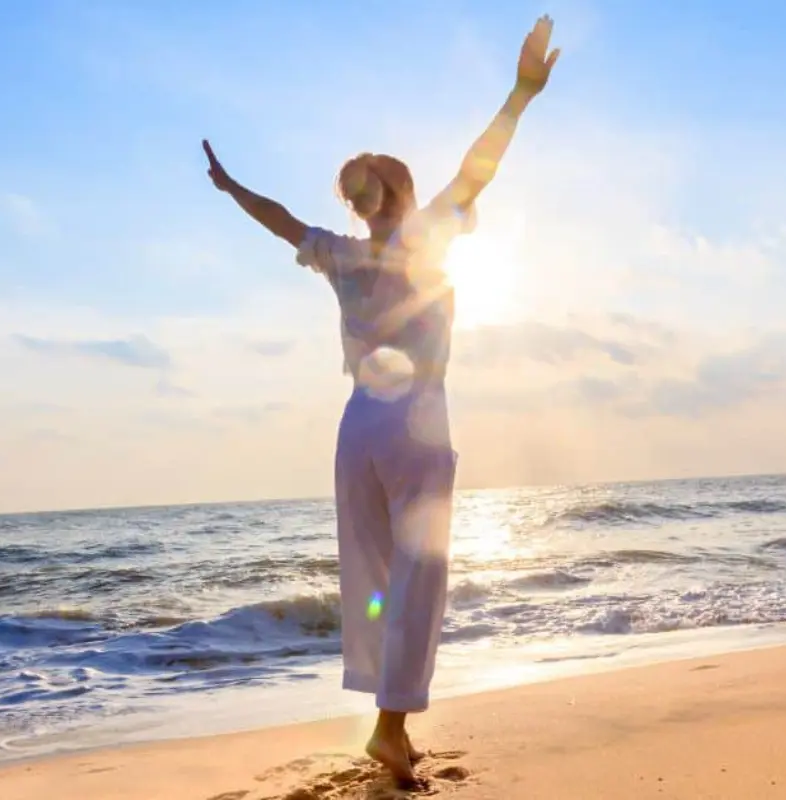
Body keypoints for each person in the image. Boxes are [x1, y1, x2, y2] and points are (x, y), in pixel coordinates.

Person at [202, 16, 559, 786]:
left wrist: (230, 187)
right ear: (402, 191)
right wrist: (522, 94)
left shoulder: (342, 252)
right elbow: (479, 168)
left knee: (371, 578)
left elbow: (279, 221)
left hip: (357, 423)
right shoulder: (425, 235)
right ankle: (390, 731)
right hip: (417, 418)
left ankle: (387, 722)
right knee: (420, 576)